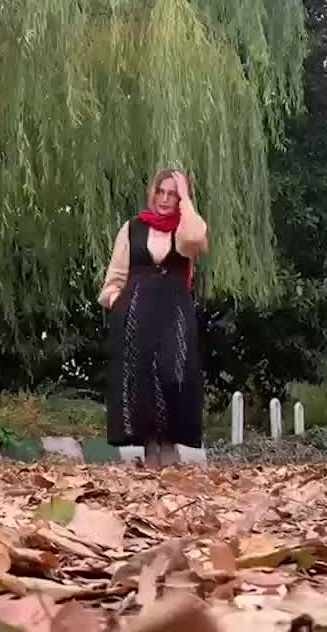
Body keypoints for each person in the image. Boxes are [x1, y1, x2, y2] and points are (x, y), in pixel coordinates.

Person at [98, 168, 208, 468]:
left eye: (173, 194)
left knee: (175, 375)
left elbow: (198, 236)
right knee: (141, 378)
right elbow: (115, 277)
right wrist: (117, 301)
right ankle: (149, 451)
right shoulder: (132, 228)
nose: (165, 199)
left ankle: (170, 445)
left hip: (174, 314)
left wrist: (186, 197)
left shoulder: (184, 231)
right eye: (161, 191)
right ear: (152, 193)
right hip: (136, 315)